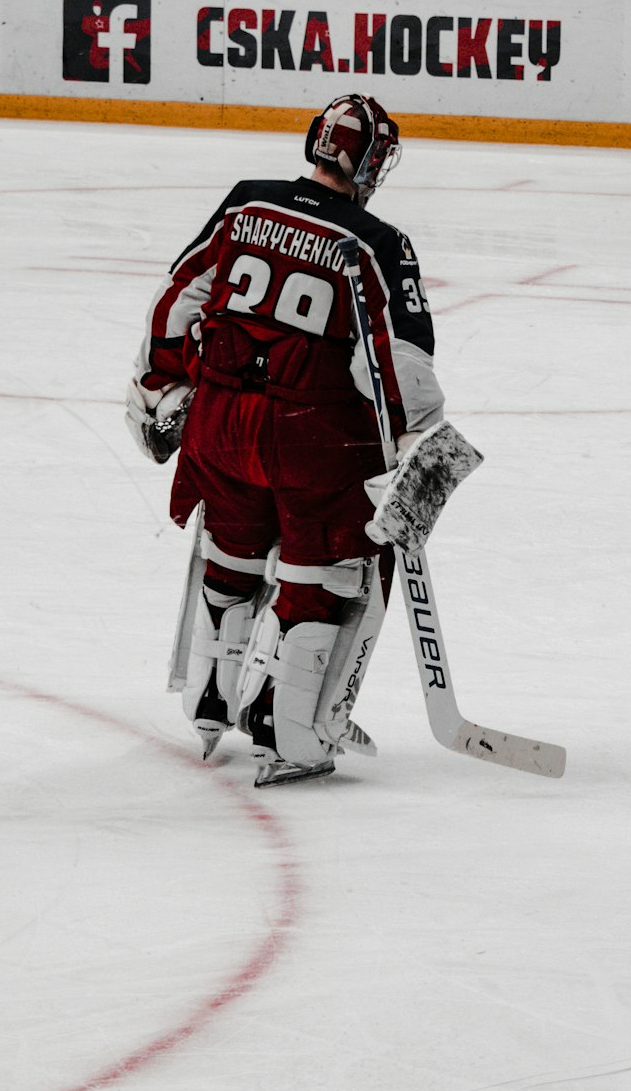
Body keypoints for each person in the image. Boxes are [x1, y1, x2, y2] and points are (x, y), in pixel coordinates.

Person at [125, 96, 445, 787]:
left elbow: (175, 301)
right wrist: (414, 439)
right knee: (320, 572)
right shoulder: (376, 242)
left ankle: (208, 702)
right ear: (368, 161)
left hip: (219, 424)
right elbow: (400, 370)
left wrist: (160, 389)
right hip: (311, 440)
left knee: (230, 550)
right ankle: (287, 729)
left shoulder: (245, 205)